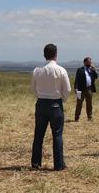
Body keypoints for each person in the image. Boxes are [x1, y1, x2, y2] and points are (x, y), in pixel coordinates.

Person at [31, 43, 71, 171]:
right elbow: (68, 89)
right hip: (55, 104)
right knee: (57, 135)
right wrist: (63, 99)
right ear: (56, 54)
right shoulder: (61, 70)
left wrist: (40, 96)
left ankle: (36, 163)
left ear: (44, 54)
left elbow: (33, 88)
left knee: (38, 134)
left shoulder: (37, 70)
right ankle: (58, 164)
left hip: (41, 103)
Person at [74, 56, 98, 122]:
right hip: (80, 90)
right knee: (79, 104)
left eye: (90, 62)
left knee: (89, 104)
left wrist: (94, 70)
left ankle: (89, 117)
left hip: (89, 89)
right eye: (88, 62)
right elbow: (77, 79)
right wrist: (75, 88)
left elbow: (96, 77)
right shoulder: (80, 70)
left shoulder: (91, 70)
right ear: (85, 62)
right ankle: (76, 118)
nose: (90, 63)